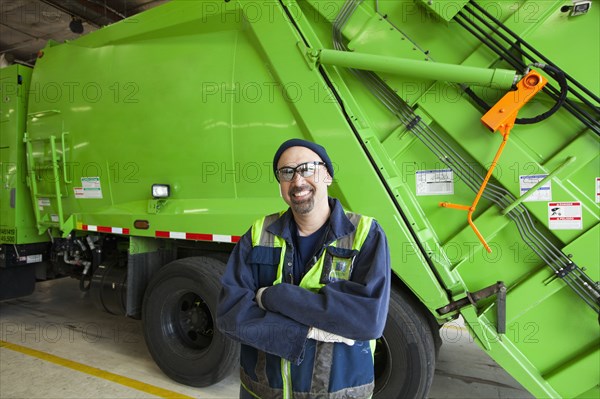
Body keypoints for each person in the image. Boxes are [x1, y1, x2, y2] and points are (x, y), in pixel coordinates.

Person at [216, 138, 391, 399]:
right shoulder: (258, 234)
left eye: (308, 168)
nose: (297, 181)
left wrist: (273, 297)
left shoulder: (366, 234)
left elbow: (367, 320)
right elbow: (230, 314)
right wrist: (308, 329)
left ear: (328, 175)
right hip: (263, 392)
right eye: (286, 172)